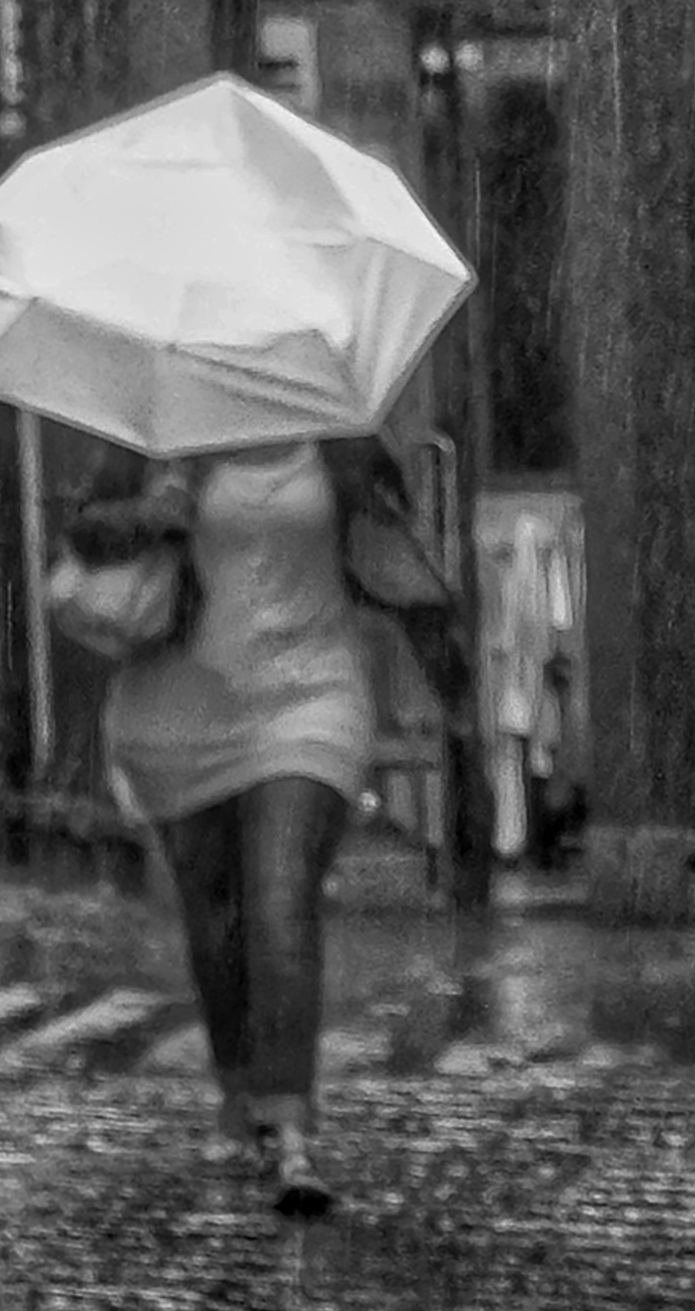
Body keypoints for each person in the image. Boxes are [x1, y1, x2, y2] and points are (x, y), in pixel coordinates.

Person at [59, 436, 471, 1217]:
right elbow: (84, 538)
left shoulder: (335, 433)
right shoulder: (158, 432)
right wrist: (152, 512)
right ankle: (237, 1086)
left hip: (310, 701)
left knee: (280, 901)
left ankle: (290, 1131)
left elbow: (393, 560)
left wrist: (450, 674)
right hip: (183, 713)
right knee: (217, 923)